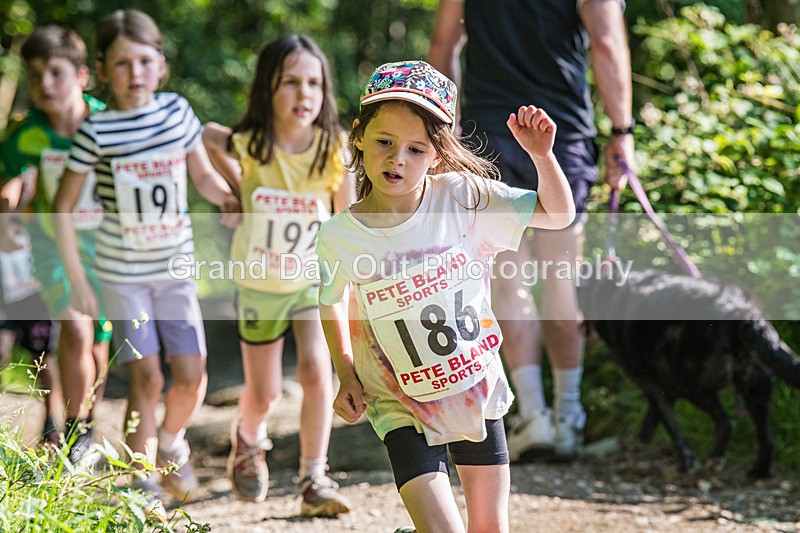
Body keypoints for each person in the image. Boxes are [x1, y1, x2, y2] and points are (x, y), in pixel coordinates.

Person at [317, 60, 574, 533]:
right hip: (397, 399)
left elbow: (557, 216)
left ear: (437, 155)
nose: (398, 159)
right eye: (384, 142)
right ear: (357, 136)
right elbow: (331, 298)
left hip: (471, 388)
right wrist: (345, 369)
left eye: (416, 149)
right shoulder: (340, 235)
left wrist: (543, 156)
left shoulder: (462, 198)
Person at [428, 0, 635, 461]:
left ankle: (533, 417)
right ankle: (569, 419)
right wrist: (623, 130)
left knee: (508, 280)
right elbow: (605, 41)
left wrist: (446, 128)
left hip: (489, 132)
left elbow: (444, 45)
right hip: (561, 131)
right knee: (561, 281)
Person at [52, 9, 239, 513]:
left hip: (176, 271)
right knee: (147, 376)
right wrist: (76, 278)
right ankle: (143, 480)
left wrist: (229, 198)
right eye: (121, 64)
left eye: (144, 61)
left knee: (193, 375)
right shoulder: (97, 132)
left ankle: (172, 442)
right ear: (104, 69)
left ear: (161, 65)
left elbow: (202, 176)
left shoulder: (177, 113)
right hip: (122, 276)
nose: (134, 73)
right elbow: (62, 208)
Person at [201, 35, 355, 517]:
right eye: (290, 82)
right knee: (264, 391)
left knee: (316, 371)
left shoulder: (333, 150)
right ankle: (248, 439)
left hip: (311, 285)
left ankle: (314, 476)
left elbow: (345, 222)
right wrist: (235, 190)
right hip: (258, 285)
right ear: (268, 88)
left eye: (313, 83)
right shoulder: (251, 146)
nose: (303, 93)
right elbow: (206, 134)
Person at [0, 25, 114, 461]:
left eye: (56, 73)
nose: (44, 84)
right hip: (51, 248)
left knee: (99, 343)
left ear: (82, 76)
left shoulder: (109, 122)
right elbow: (7, 178)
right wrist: (7, 219)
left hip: (108, 249)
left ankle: (85, 424)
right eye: (34, 74)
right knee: (76, 326)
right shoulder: (25, 134)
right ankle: (73, 432)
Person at [0, 173, 61, 446]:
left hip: (33, 285)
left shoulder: (39, 171)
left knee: (43, 357)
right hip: (4, 285)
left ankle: (52, 425)